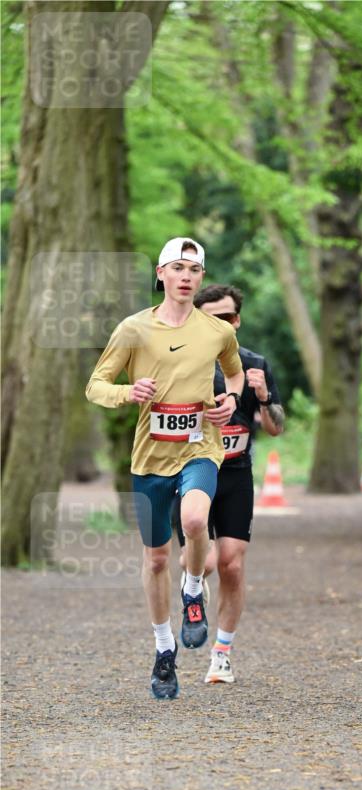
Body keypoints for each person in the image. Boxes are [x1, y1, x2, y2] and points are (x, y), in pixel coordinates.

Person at [85, 238, 245, 701]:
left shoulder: (217, 331)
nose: (186, 276)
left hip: (200, 448)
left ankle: (193, 589)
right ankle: (163, 649)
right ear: (161, 274)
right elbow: (96, 385)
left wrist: (229, 400)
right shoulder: (134, 329)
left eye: (194, 269)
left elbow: (232, 375)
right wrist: (128, 392)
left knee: (196, 520)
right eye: (178, 268)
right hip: (149, 458)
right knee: (155, 559)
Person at [171, 284, 285, 685]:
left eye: (229, 317)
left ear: (238, 320)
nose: (224, 324)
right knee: (196, 561)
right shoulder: (182, 362)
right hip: (191, 469)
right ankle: (192, 586)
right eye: (213, 317)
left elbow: (275, 428)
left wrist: (264, 394)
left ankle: (221, 655)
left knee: (231, 564)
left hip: (235, 474)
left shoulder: (254, 364)